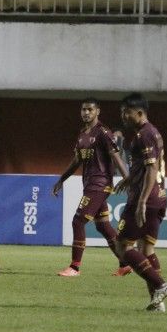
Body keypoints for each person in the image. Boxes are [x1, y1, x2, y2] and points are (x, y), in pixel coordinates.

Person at [51, 98, 131, 277]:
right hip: (89, 184)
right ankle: (125, 264)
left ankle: (74, 267)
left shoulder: (103, 132)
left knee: (78, 221)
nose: (86, 113)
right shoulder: (82, 134)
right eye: (83, 110)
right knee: (103, 226)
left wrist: (128, 178)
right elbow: (77, 160)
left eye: (90, 109)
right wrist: (61, 179)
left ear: (97, 112)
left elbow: (116, 155)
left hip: (99, 184)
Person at [114, 93, 167, 312]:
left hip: (145, 199)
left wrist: (141, 201)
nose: (123, 116)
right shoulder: (153, 132)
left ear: (139, 113)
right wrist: (129, 179)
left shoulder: (143, 135)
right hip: (159, 198)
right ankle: (158, 303)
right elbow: (147, 165)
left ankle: (161, 284)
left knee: (123, 246)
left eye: (126, 112)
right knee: (146, 249)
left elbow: (152, 169)